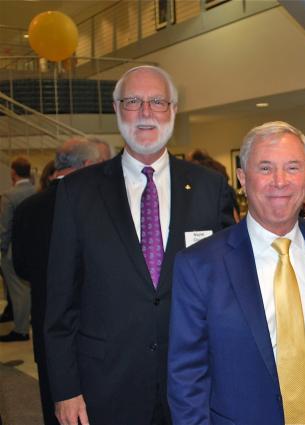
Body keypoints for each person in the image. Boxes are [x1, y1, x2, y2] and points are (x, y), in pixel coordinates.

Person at [44, 65, 234, 425]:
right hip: (105, 387)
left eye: (157, 101)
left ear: (173, 110)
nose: (146, 113)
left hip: (193, 386)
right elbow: (59, 304)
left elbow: (228, 288)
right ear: (117, 109)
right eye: (133, 101)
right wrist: (65, 390)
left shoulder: (210, 187)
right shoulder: (76, 192)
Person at [168, 121, 305, 425]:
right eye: (265, 168)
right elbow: (186, 377)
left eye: (293, 167)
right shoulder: (200, 265)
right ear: (243, 179)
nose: (280, 181)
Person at [12, 138, 105, 425]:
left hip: (47, 332)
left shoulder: (28, 207)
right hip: (98, 334)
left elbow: (22, 267)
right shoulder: (98, 205)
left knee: (56, 407)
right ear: (89, 165)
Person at [0, 157, 36, 342]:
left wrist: (2, 250)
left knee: (18, 290)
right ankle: (25, 320)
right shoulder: (37, 191)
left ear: (13, 173)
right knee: (28, 290)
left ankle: (20, 329)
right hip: (34, 247)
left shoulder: (9, 196)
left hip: (14, 250)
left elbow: (4, 227)